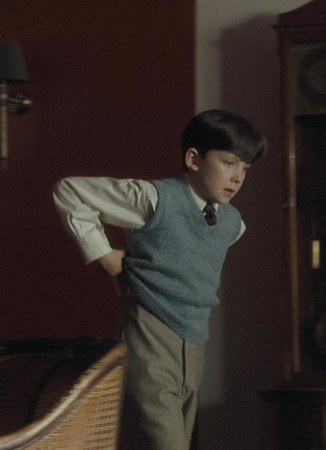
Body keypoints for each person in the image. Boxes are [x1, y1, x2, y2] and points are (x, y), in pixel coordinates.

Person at [53, 109, 267, 449]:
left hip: (195, 344)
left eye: (245, 168)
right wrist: (103, 254)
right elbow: (70, 191)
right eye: (228, 163)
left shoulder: (232, 224)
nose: (238, 177)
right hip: (149, 335)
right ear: (193, 159)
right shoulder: (153, 199)